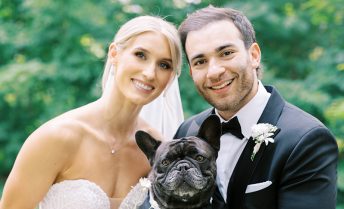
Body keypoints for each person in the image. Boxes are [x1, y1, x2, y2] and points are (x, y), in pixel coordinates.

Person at [0, 15, 183, 209]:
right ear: (114, 54)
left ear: (171, 77)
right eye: (140, 55)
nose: (150, 73)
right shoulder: (57, 138)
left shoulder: (157, 151)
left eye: (164, 65)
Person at [174, 6, 338, 209]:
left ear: (254, 55)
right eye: (200, 61)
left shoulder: (306, 140)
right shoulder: (186, 131)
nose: (214, 72)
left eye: (226, 53)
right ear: (191, 71)